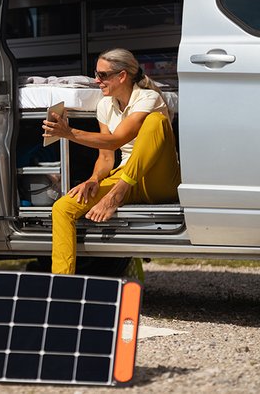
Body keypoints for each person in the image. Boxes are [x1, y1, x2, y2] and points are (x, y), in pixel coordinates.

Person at [43, 48, 181, 274]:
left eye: (103, 75)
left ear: (122, 76)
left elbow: (117, 140)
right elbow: (106, 156)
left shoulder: (149, 98)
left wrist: (69, 133)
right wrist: (94, 179)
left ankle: (116, 195)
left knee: (155, 122)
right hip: (124, 177)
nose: (97, 80)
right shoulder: (105, 105)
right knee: (62, 208)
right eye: (96, 74)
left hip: (159, 179)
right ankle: (62, 283)